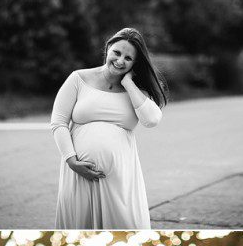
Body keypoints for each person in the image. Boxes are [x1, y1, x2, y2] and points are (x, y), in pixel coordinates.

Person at [49, 28, 168, 229]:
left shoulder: (135, 91)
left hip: (120, 176)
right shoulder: (78, 78)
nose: (120, 61)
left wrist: (128, 84)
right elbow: (58, 122)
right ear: (108, 49)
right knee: (81, 226)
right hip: (78, 171)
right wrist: (71, 160)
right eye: (117, 53)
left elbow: (152, 119)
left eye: (128, 58)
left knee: (123, 225)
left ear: (135, 64)